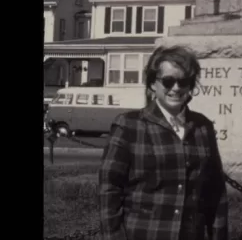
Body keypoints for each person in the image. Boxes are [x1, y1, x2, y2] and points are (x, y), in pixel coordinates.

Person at [98, 46, 228, 240]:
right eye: (168, 81)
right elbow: (109, 189)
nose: (176, 88)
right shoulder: (129, 126)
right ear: (152, 84)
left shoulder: (203, 127)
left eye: (183, 81)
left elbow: (216, 191)